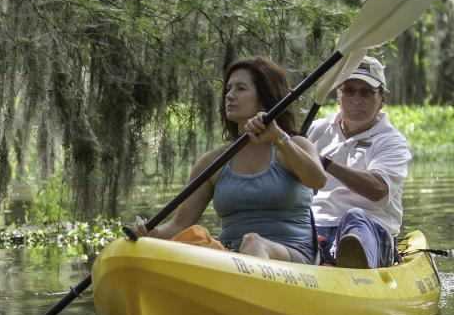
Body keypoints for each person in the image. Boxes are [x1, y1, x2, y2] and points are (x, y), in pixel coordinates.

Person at [131, 57, 327, 263]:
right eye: (228, 89)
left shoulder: (294, 145)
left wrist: (279, 137)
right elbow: (179, 224)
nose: (230, 96)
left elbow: (317, 181)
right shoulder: (213, 161)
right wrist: (148, 233)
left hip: (293, 254)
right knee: (194, 238)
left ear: (264, 97)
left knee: (253, 242)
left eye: (240, 88)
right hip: (230, 259)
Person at [307, 56, 411, 268]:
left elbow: (378, 189)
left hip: (369, 229)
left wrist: (325, 163)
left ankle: (356, 269)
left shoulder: (391, 141)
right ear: (338, 95)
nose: (356, 98)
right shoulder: (316, 130)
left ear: (383, 98)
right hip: (315, 228)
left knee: (354, 217)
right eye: (349, 90)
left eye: (366, 92)